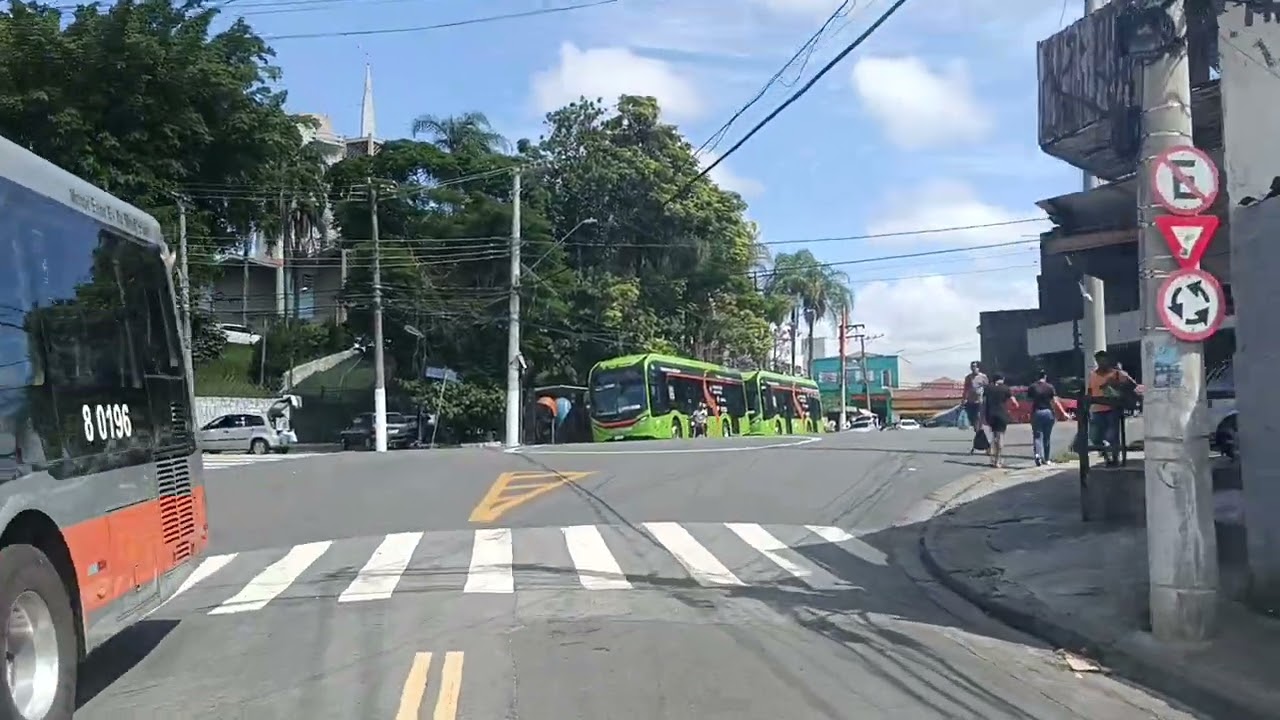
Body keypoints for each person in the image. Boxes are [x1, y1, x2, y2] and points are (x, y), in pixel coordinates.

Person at [1087, 350, 1135, 467]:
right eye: (1099, 360)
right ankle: (1106, 455)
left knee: (1111, 436)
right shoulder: (1093, 374)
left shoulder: (1116, 374)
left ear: (1108, 360)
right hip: (1096, 409)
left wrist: (1116, 384)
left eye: (1104, 359)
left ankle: (1114, 458)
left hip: (1112, 409)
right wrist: (1087, 407)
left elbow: (1132, 385)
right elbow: (1090, 391)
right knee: (1095, 437)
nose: (1101, 362)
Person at [1026, 370, 1068, 466]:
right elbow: (1055, 401)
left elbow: (1029, 402)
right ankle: (1047, 459)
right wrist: (1064, 413)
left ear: (1037, 377)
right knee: (1047, 437)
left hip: (1037, 412)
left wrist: (1029, 413)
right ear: (1045, 376)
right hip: (1048, 412)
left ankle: (1037, 455)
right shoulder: (1050, 387)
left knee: (1037, 436)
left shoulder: (1032, 387)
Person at [981, 373, 1017, 468]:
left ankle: (993, 459)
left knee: (994, 436)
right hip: (1001, 414)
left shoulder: (988, 388)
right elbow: (1015, 403)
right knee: (1000, 436)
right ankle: (998, 460)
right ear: (1002, 379)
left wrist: (982, 416)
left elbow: (983, 402)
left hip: (990, 415)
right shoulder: (1005, 388)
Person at [963, 361, 989, 452]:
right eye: (972, 366)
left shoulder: (983, 377)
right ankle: (981, 444)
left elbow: (987, 388)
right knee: (975, 426)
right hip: (970, 402)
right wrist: (964, 399)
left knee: (979, 424)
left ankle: (985, 446)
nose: (974, 368)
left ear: (979, 368)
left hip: (980, 402)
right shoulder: (968, 377)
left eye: (975, 366)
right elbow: (965, 389)